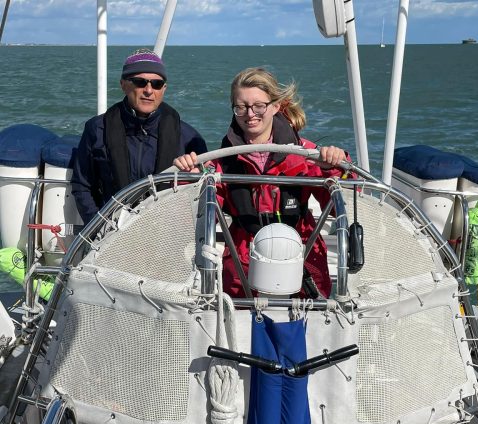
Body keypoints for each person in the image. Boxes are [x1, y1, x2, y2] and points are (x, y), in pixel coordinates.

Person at [174, 67, 352, 299]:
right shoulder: (221, 162)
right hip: (243, 266)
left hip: (302, 258)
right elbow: (192, 216)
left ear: (276, 106)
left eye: (259, 106)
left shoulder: (306, 154)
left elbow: (344, 204)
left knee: (302, 330)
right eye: (241, 107)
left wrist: (336, 165)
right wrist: (190, 176)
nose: (250, 114)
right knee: (243, 331)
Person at [71, 48, 207, 225]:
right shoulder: (96, 129)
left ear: (164, 89)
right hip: (112, 229)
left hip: (166, 229)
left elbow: (204, 190)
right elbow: (82, 185)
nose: (149, 90)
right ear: (124, 85)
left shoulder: (189, 137)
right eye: (140, 82)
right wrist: (98, 227)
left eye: (157, 84)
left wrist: (193, 176)